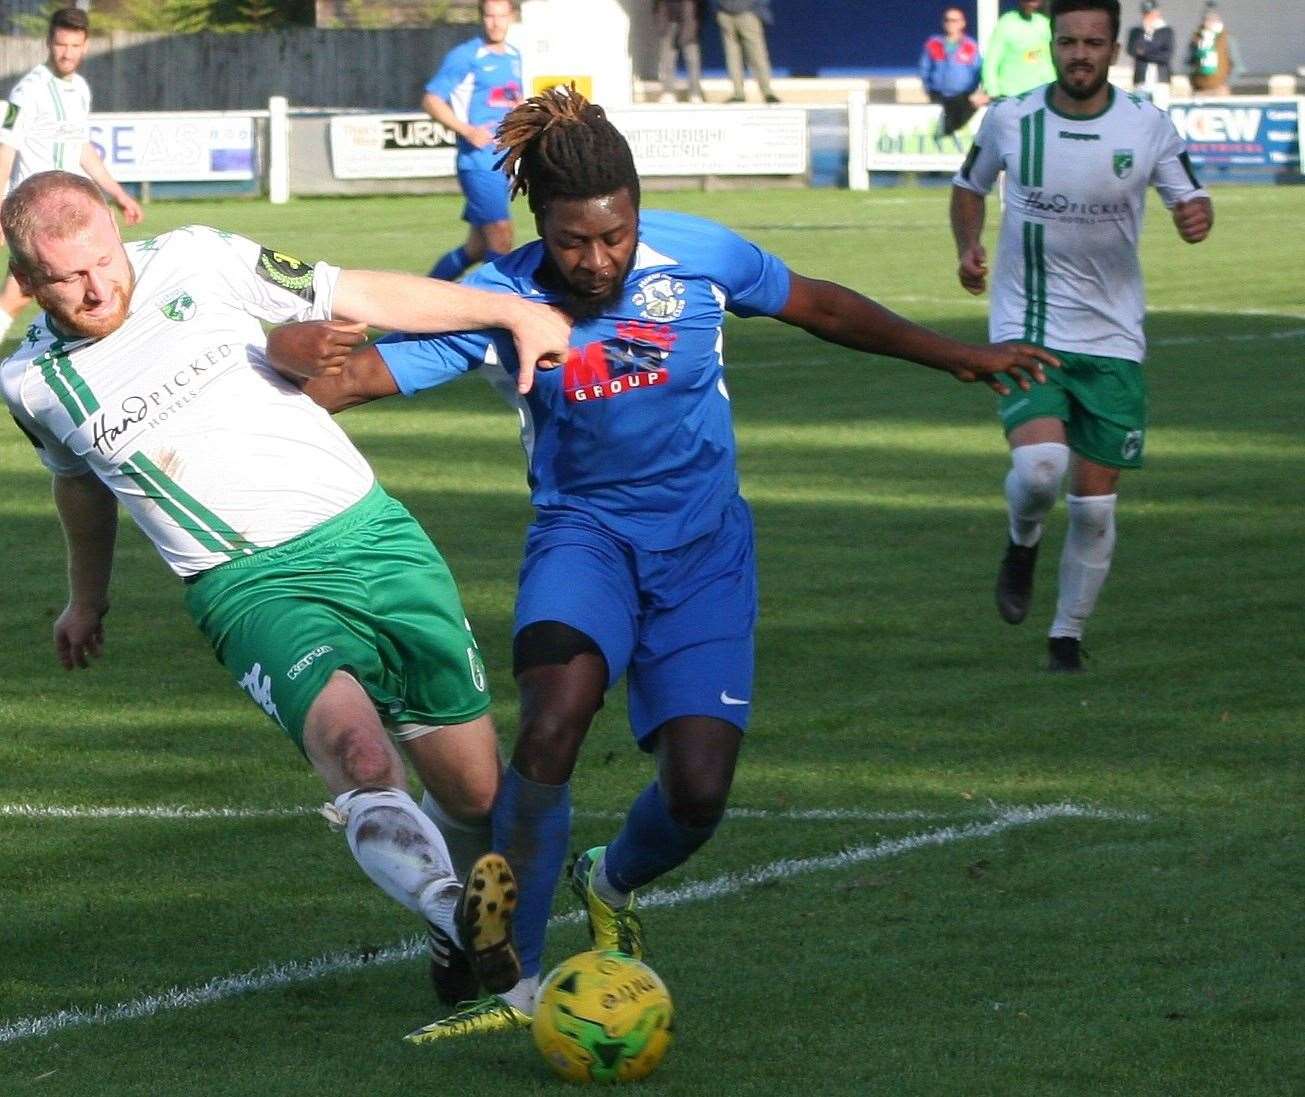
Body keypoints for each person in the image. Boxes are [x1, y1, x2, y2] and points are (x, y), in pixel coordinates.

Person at [265, 87, 1056, 1041]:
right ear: (538, 228)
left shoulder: (700, 256)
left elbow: (822, 305)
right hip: (582, 539)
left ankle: (610, 882)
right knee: (551, 721)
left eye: (614, 236)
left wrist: (955, 357)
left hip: (704, 552)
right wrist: (251, 379)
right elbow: (353, 381)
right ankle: (493, 956)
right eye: (571, 242)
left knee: (698, 793)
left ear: (638, 211)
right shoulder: (504, 299)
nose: (595, 261)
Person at [0, 170, 573, 1021]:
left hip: (375, 542)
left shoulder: (198, 259)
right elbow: (80, 487)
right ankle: (450, 907)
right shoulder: (32, 384)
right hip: (246, 585)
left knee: (475, 796)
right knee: (360, 756)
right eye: (67, 278)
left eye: (104, 262)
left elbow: (355, 290)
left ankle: (452, 930)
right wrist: (87, 599)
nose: (97, 287)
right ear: (27, 281)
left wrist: (507, 311)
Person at [949, 0, 1213, 672]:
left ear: (1113, 48)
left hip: (1113, 336)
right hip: (1026, 323)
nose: (1079, 55)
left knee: (1093, 508)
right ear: (1051, 44)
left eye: (1092, 43)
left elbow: (1187, 195)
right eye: (1067, 42)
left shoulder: (1146, 125)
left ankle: (1065, 636)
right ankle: (1021, 536)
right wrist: (967, 246)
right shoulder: (1011, 117)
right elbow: (967, 184)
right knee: (1039, 470)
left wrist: (1194, 215)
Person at [0, 7, 143, 343]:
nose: (67, 53)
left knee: (101, 277)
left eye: (75, 46)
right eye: (61, 45)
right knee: (21, 293)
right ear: (50, 43)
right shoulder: (28, 91)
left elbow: (81, 148)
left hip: (74, 209)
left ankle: (103, 342)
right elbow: (6, 149)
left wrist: (118, 194)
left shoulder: (79, 89)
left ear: (85, 46)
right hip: (37, 211)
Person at [421, 0, 523, 280]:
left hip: (502, 163)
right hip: (478, 163)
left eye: (501, 16)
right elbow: (432, 99)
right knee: (501, 237)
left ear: (511, 17)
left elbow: (509, 102)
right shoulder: (466, 56)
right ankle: (488, 313)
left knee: (477, 247)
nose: (496, 22)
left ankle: (423, 300)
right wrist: (467, 130)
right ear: (482, 18)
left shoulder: (514, 56)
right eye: (490, 16)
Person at [920, 6, 989, 136]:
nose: (951, 23)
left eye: (955, 20)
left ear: (962, 23)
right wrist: (928, 88)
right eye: (948, 20)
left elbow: (979, 70)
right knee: (936, 129)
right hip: (938, 95)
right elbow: (925, 68)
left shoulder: (970, 45)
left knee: (954, 129)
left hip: (962, 97)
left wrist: (979, 92)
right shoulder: (934, 43)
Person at [981, 0, 1056, 100]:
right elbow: (991, 61)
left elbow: (1051, 58)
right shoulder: (1007, 23)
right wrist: (993, 91)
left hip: (1043, 94)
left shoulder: (1044, 23)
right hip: (1013, 95)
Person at [713, 0, 780, 104]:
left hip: (738, 12)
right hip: (738, 13)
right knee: (749, 55)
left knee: (743, 55)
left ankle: (744, 92)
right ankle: (763, 92)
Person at [654, 0, 706, 103]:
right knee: (667, 59)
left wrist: (697, 18)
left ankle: (695, 92)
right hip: (667, 19)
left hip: (689, 18)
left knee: (692, 59)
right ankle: (668, 92)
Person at [1188, 1, 1240, 97]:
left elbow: (1237, 66)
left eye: (1212, 18)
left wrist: (1227, 84)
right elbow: (1188, 62)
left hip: (1220, 89)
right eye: (1207, 19)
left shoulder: (1226, 38)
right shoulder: (1197, 38)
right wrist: (1192, 81)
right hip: (1200, 89)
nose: (1209, 21)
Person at [1125, 1, 1174, 102]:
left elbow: (1166, 56)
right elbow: (1133, 50)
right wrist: (1147, 32)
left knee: (1160, 111)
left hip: (1160, 80)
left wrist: (1145, 54)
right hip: (1141, 80)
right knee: (1140, 110)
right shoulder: (1137, 31)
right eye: (1146, 14)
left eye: (1152, 13)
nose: (1149, 17)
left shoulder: (1166, 31)